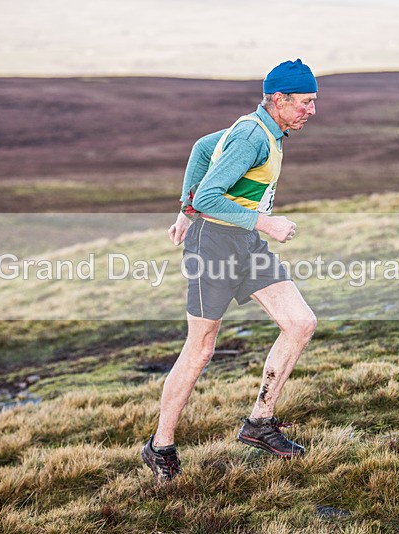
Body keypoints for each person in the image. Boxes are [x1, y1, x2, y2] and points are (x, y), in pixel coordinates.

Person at [141, 59, 319, 483]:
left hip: (243, 244)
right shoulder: (250, 136)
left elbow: (203, 148)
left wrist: (186, 208)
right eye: (306, 103)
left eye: (314, 102)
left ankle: (259, 422)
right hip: (214, 247)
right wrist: (262, 221)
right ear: (279, 100)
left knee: (300, 323)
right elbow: (209, 196)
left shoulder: (268, 130)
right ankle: (160, 445)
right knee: (200, 349)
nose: (311, 110)